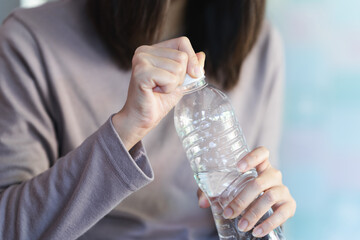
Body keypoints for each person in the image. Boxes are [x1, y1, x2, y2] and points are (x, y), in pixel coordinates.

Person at [0, 0, 296, 239]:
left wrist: (263, 216)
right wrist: (126, 129)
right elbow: (10, 229)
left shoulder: (258, 45)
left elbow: (252, 210)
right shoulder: (30, 41)